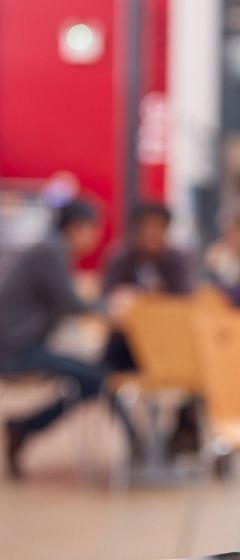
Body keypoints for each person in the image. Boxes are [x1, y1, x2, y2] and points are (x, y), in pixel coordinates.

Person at [0, 199, 137, 479]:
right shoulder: (50, 251)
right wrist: (111, 307)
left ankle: (25, 427)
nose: (95, 237)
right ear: (77, 227)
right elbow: (70, 303)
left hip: (28, 343)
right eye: (92, 229)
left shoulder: (52, 250)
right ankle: (138, 446)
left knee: (94, 378)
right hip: (16, 349)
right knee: (99, 378)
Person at [100, 201, 193, 372]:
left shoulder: (176, 260)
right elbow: (107, 300)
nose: (152, 234)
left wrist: (146, 299)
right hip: (126, 340)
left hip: (166, 340)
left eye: (159, 228)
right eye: (146, 227)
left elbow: (184, 301)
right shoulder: (120, 259)